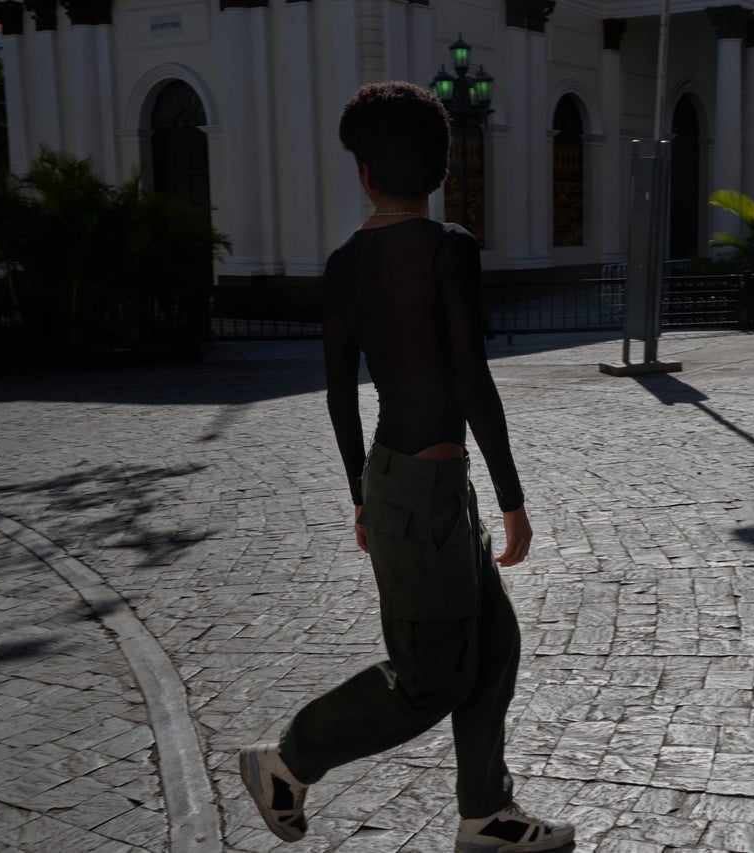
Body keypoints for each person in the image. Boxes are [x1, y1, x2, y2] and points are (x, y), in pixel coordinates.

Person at [238, 81, 574, 852]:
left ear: (364, 172)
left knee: (494, 642)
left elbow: (337, 395)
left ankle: (486, 813)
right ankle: (288, 759)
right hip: (425, 494)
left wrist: (362, 494)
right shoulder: (448, 248)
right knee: (428, 679)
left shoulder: (342, 265)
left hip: (404, 484)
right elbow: (470, 382)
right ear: (441, 167)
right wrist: (513, 499)